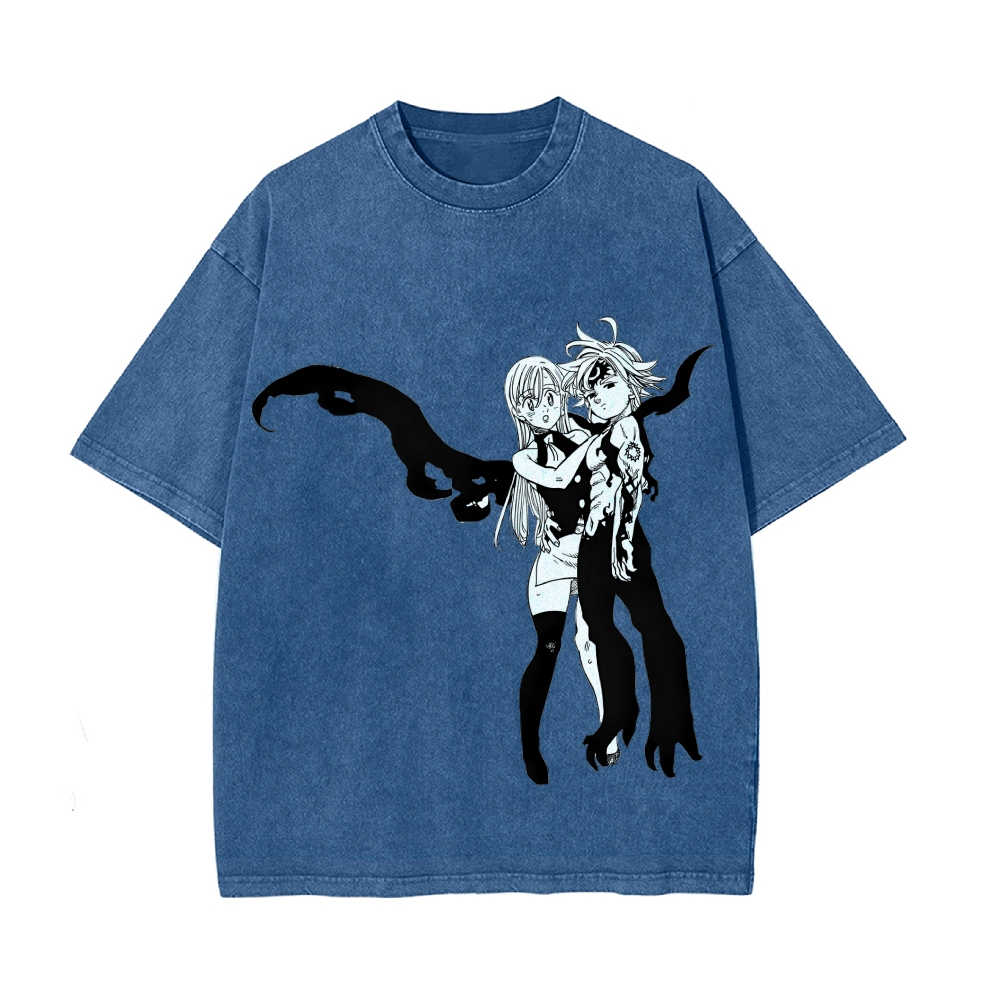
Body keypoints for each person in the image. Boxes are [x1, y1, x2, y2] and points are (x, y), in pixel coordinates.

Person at [561, 319, 702, 777]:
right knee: (601, 630)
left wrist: (621, 540)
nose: (599, 396)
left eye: (608, 385)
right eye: (592, 391)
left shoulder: (625, 429)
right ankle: (623, 717)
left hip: (615, 541)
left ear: (629, 386)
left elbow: (630, 489)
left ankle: (653, 719)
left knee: (644, 625)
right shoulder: (601, 433)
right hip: (593, 544)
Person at [495, 356, 619, 784]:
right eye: (532, 404)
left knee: (592, 641)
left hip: (591, 554)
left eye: (549, 397)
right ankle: (530, 747)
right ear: (519, 411)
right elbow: (561, 479)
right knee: (548, 647)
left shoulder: (586, 432)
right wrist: (593, 443)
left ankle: (608, 730)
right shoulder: (524, 457)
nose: (544, 409)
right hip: (554, 559)